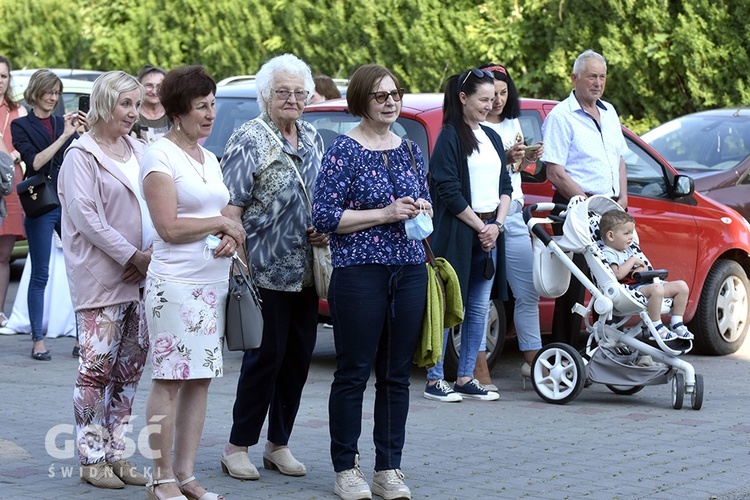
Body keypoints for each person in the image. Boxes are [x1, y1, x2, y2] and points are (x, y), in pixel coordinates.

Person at [313, 63, 431, 500]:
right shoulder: (343, 150)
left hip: (410, 269)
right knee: (353, 372)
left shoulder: (410, 148)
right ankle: (347, 468)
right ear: (362, 100)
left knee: (396, 375)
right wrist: (384, 214)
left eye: (395, 93)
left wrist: (420, 207)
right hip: (360, 272)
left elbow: (427, 201)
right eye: (381, 96)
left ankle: (389, 469)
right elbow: (324, 217)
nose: (391, 102)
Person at [141, 65, 244, 500]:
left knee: (200, 379)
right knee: (169, 378)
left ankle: (185, 475)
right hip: (175, 284)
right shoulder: (158, 155)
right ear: (178, 112)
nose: (210, 113)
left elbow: (220, 214)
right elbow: (167, 227)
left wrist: (227, 232)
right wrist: (219, 222)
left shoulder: (210, 157)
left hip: (212, 283)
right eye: (201, 106)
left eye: (213, 104)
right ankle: (159, 476)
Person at [220, 53, 325, 483]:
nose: (293, 99)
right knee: (264, 360)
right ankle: (236, 446)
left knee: (298, 360)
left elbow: (323, 198)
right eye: (284, 92)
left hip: (305, 273)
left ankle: (278, 444)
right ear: (266, 94)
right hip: (262, 271)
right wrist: (237, 269)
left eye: (300, 92)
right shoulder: (249, 138)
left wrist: (324, 227)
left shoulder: (314, 136)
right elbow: (230, 211)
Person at [58, 71, 153, 489]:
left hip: (143, 277)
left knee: (130, 370)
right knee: (96, 370)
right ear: (103, 103)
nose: (133, 113)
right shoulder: (82, 155)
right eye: (125, 104)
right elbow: (87, 220)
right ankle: (91, 456)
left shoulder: (140, 148)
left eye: (136, 104)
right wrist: (132, 255)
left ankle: (117, 451)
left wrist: (149, 257)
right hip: (103, 277)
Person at [422, 68, 511, 404]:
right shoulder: (450, 136)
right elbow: (447, 189)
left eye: (494, 98)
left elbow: (506, 185)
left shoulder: (492, 137)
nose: (490, 105)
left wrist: (497, 226)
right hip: (462, 232)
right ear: (463, 98)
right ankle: (435, 379)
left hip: (490, 231)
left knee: (478, 307)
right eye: (484, 99)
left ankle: (465, 376)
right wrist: (481, 227)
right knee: (448, 305)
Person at [541, 49, 629, 347]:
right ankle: (565, 352)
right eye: (591, 76)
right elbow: (555, 171)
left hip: (611, 209)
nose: (597, 82)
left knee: (616, 280)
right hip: (576, 208)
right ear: (574, 78)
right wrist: (589, 205)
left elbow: (619, 159)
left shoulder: (610, 112)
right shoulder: (561, 117)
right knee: (576, 285)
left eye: (602, 76)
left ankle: (609, 348)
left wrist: (622, 200)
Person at [478, 63, 544, 386]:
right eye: (492, 94)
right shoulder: (471, 127)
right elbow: (478, 170)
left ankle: (533, 361)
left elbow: (516, 170)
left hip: (514, 213)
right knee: (481, 294)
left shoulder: (512, 121)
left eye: (504, 93)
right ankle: (477, 367)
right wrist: (507, 158)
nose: (499, 100)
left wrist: (526, 157)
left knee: (527, 291)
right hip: (484, 217)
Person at [11, 69, 84, 360]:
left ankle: (83, 338)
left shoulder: (61, 122)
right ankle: (37, 340)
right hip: (41, 205)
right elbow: (36, 162)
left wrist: (81, 133)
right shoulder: (21, 125)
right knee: (40, 273)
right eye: (49, 92)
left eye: (57, 92)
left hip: (66, 202)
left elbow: (75, 157)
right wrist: (66, 135)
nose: (53, 97)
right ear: (36, 92)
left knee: (79, 272)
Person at [598, 210, 694, 341]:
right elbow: (618, 274)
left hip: (643, 284)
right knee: (657, 289)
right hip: (628, 290)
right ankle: (655, 325)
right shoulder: (609, 252)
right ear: (611, 236)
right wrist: (632, 260)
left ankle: (677, 323)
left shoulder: (628, 250)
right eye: (626, 233)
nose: (631, 237)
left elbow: (642, 267)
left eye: (631, 233)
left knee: (682, 286)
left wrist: (640, 269)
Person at [0, 56, 27, 327]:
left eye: (3, 76)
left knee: (3, 255)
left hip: (8, 186)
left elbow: (27, 148)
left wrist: (13, 154)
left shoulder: (17, 111)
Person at [133, 65, 170, 144]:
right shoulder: (132, 114)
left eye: (159, 86)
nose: (154, 91)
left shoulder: (174, 116)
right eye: (149, 86)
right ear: (139, 87)